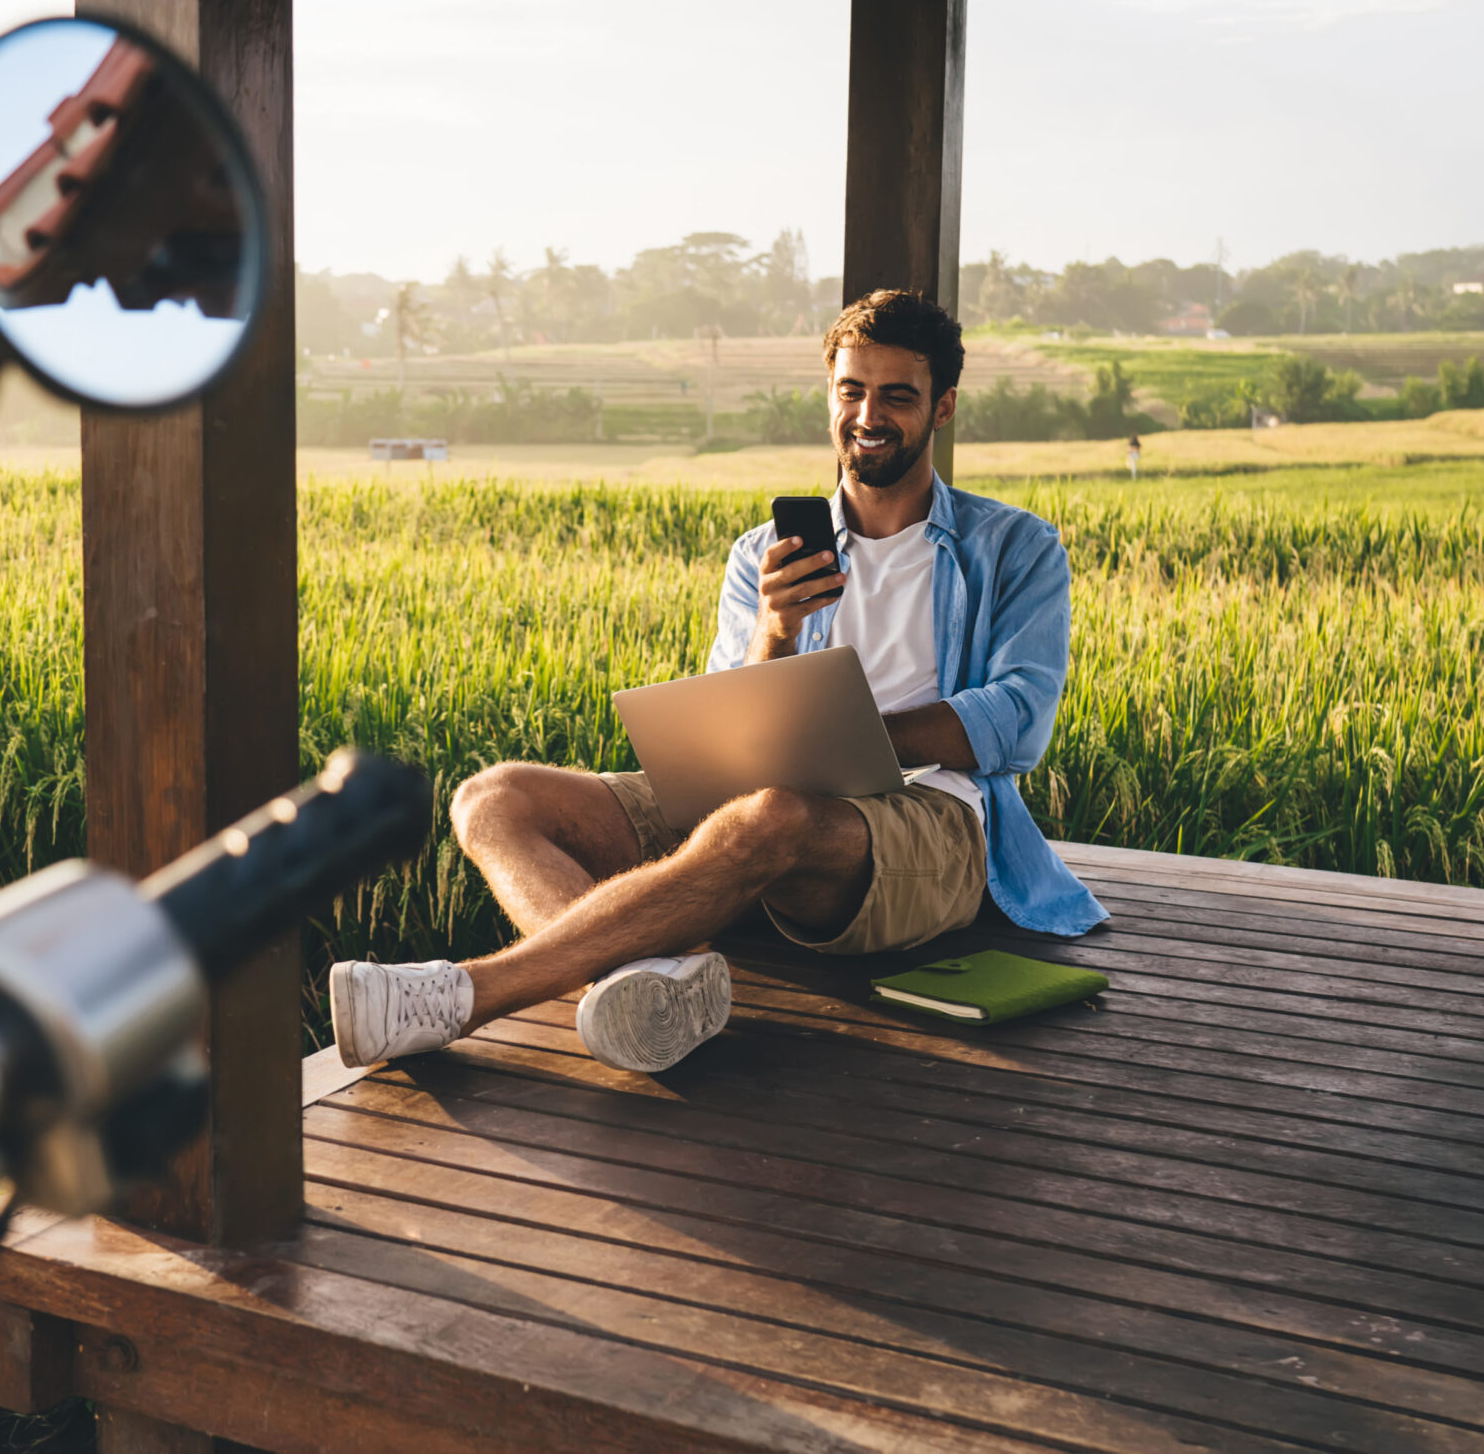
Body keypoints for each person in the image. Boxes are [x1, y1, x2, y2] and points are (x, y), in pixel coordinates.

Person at [329, 288, 1108, 1075]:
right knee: (494, 798)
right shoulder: (761, 552)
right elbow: (729, 716)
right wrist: (775, 630)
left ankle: (462, 996)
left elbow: (1019, 719)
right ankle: (634, 984)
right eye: (851, 390)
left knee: (767, 813)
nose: (868, 414)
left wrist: (853, 746)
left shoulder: (1015, 548)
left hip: (930, 814)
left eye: (897, 396)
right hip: (767, 795)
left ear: (941, 408)